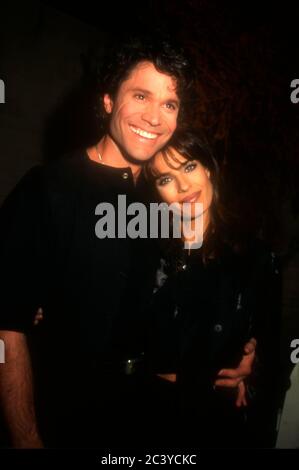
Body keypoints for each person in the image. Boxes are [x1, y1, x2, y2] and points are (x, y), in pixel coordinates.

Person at [0, 35, 255, 449]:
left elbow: (200, 291)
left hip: (149, 421)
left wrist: (240, 349)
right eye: (141, 95)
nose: (154, 117)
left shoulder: (162, 197)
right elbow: (7, 327)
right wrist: (27, 439)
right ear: (106, 102)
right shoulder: (48, 189)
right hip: (67, 419)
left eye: (169, 104)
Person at [144, 130, 281, 448]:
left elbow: (273, 346)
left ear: (208, 168)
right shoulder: (146, 254)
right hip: (150, 420)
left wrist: (255, 369)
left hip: (219, 424)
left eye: (189, 167)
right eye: (165, 179)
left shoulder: (255, 257)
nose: (182, 187)